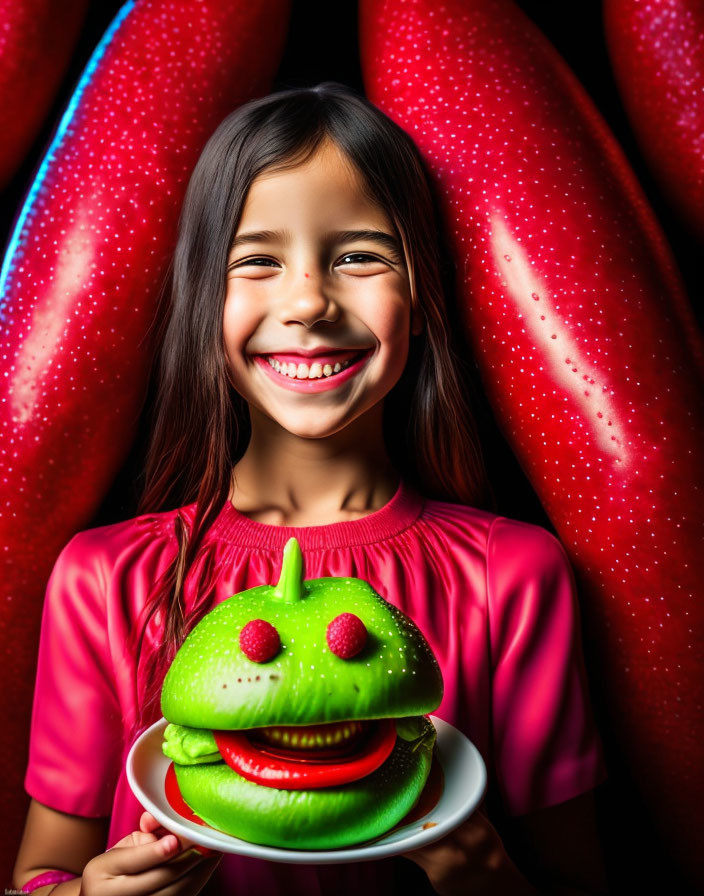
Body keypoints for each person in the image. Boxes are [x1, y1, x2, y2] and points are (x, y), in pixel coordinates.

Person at [13, 82, 608, 896]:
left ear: (424, 299)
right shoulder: (104, 577)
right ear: (203, 301)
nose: (308, 302)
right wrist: (90, 893)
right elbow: (39, 870)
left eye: (360, 256)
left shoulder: (514, 575)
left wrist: (487, 879)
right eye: (256, 261)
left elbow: (576, 875)